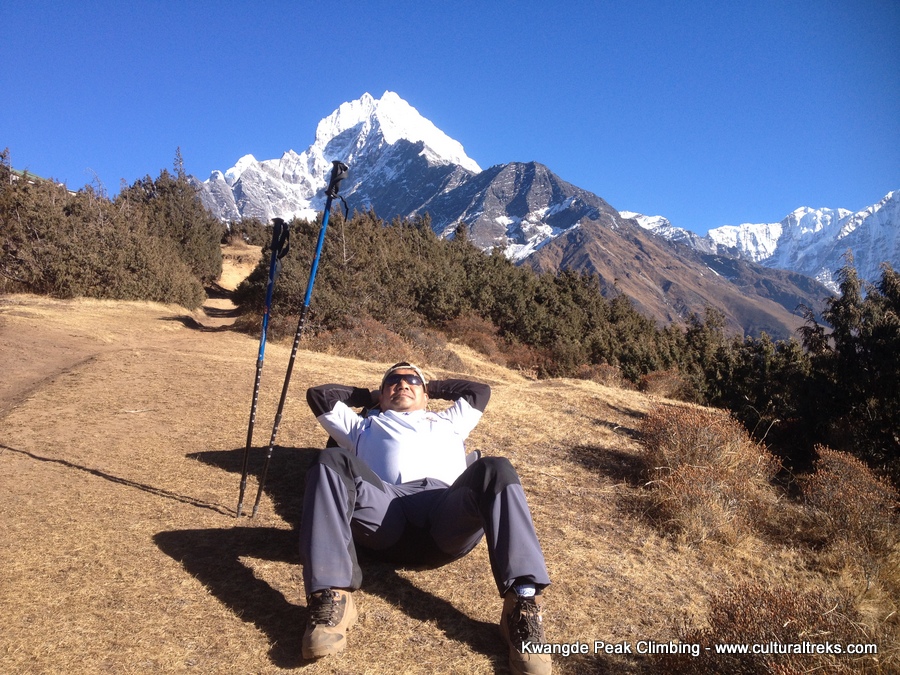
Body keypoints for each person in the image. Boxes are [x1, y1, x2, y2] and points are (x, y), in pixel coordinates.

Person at [299, 361, 552, 674]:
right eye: (393, 380)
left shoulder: (448, 421)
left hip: (445, 516)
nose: (402, 384)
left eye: (411, 381)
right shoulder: (361, 426)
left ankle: (522, 605)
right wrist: (371, 395)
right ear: (381, 393)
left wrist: (432, 386)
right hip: (385, 514)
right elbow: (320, 396)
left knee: (496, 468)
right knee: (329, 458)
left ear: (426, 394)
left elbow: (479, 391)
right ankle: (332, 596)